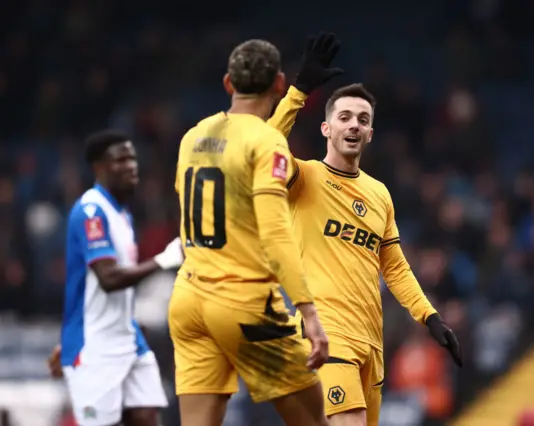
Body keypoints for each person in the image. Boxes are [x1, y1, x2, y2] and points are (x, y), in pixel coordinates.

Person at [266, 33, 463, 426]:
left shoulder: (379, 194)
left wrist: (429, 317)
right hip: (327, 334)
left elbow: (394, 267)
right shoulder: (303, 177)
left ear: (370, 133)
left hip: (372, 345)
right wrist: (299, 91)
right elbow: (262, 147)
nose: (354, 125)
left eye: (363, 119)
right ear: (326, 129)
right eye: (344, 117)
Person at [168, 38, 330, 426]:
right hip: (245, 303)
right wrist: (308, 311)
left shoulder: (193, 136)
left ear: (228, 83)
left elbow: (247, 148)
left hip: (189, 301)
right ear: (277, 82)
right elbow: (275, 234)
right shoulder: (264, 142)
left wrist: (297, 96)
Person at [47, 130, 184, 426]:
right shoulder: (91, 211)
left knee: (147, 415)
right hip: (95, 345)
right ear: (99, 167)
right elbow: (108, 278)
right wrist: (164, 260)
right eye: (120, 160)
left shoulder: (121, 214)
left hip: (127, 337)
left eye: (132, 158)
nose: (131, 165)